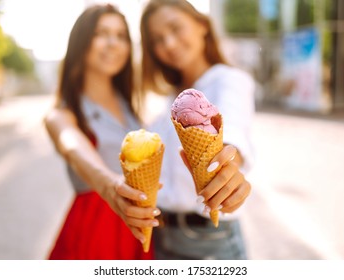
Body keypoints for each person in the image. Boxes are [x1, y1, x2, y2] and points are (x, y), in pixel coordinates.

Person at [140, 0, 255, 259]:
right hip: (162, 236)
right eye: (157, 40)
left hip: (208, 240)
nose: (168, 44)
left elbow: (232, 133)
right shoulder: (167, 100)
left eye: (175, 28)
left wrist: (228, 167)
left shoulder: (229, 80)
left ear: (202, 25)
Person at [44, 4, 160, 260]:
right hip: (94, 234)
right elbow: (72, 147)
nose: (113, 43)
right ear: (81, 42)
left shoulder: (132, 109)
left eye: (121, 36)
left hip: (138, 231)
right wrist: (110, 186)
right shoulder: (64, 113)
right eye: (102, 33)